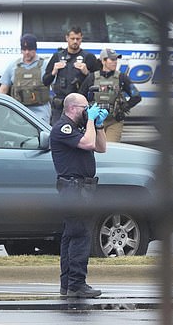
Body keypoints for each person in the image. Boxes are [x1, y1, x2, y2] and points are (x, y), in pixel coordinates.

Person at [50, 93, 108, 298]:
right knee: (80, 236)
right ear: (73, 108)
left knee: (71, 236)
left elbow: (101, 147)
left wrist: (98, 125)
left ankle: (68, 284)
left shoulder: (79, 129)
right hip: (73, 189)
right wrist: (91, 120)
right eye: (85, 107)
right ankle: (76, 284)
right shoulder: (63, 127)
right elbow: (88, 144)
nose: (88, 110)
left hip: (82, 188)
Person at [79, 48, 142, 142]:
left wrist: (123, 109)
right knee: (94, 149)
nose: (115, 62)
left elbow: (136, 96)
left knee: (110, 148)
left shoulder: (122, 77)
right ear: (103, 61)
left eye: (116, 59)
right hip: (95, 121)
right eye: (112, 59)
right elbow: (80, 96)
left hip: (114, 121)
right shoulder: (92, 77)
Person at [42, 26, 100, 125]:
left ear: (81, 39)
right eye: (72, 38)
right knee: (56, 133)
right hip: (60, 105)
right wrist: (53, 72)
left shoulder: (89, 57)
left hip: (79, 104)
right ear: (67, 38)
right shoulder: (58, 56)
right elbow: (45, 81)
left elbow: (98, 81)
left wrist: (87, 73)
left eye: (78, 39)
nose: (75, 41)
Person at [0, 34, 51, 124]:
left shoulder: (45, 65)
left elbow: (56, 87)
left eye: (30, 49)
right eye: (24, 49)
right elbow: (3, 90)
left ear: (35, 49)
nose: (27, 52)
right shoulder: (13, 66)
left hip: (40, 116)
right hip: (18, 115)